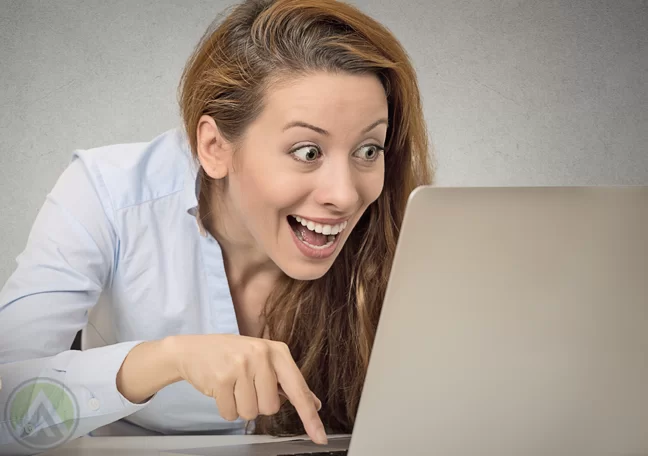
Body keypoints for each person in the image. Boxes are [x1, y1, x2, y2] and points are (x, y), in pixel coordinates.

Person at [0, 0, 433, 453]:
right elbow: (7, 403)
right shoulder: (108, 194)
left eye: (368, 150)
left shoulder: (399, 226)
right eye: (308, 152)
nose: (344, 195)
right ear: (214, 147)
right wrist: (166, 359)